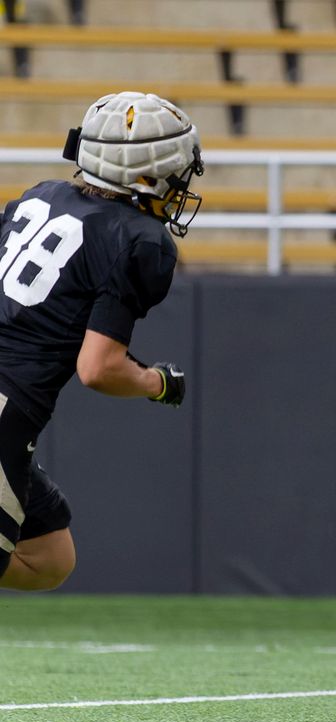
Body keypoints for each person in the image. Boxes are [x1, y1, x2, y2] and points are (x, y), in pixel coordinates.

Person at [0, 91, 203, 592]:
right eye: (176, 173)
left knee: (48, 555)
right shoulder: (140, 240)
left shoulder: (39, 195)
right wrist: (156, 383)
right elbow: (99, 367)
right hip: (6, 409)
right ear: (146, 175)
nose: (179, 186)